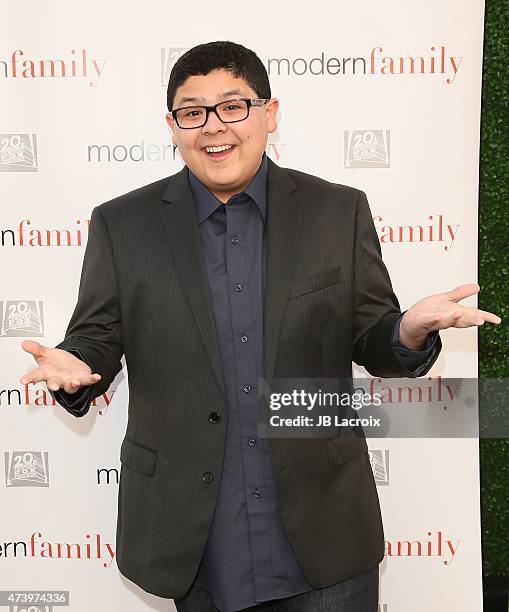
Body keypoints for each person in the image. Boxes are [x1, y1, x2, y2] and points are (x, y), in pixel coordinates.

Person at [19, 41, 500, 612]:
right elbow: (95, 338)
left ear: (269, 114)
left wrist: (409, 331)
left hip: (323, 530)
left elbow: (374, 337)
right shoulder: (123, 224)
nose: (213, 127)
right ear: (173, 127)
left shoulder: (336, 210)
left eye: (233, 106)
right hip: (196, 536)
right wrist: (77, 369)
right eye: (192, 112)